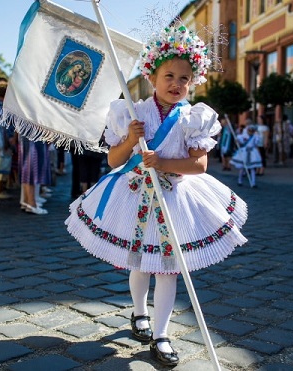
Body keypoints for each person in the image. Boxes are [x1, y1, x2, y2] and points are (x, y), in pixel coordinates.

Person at [65, 25, 248, 367]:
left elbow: (200, 165)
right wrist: (129, 140)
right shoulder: (132, 112)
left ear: (192, 81)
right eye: (169, 76)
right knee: (140, 262)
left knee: (168, 268)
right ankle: (138, 313)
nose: (176, 84)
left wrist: (163, 162)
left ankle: (162, 335)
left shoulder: (194, 117)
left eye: (184, 78)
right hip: (136, 196)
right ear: (151, 76)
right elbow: (113, 161)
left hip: (174, 198)